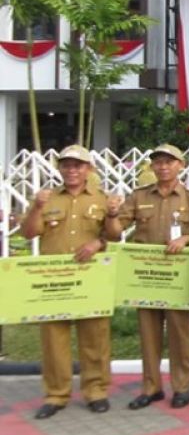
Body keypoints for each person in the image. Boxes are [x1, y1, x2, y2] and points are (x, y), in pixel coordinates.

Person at [107, 144, 189, 410]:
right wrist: (111, 214)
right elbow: (117, 229)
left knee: (181, 335)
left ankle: (181, 387)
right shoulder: (139, 196)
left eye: (169, 162)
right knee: (149, 334)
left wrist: (187, 238)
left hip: (177, 278)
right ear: (152, 167)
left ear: (180, 165)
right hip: (147, 276)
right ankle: (151, 387)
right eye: (158, 162)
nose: (163, 167)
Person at [21, 145, 120, 419]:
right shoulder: (47, 198)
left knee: (95, 337)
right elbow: (29, 233)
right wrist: (37, 208)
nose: (72, 170)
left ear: (88, 169)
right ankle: (56, 394)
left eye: (78, 165)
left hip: (90, 279)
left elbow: (115, 236)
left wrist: (98, 241)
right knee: (54, 338)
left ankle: (96, 391)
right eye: (66, 165)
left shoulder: (102, 199)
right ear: (60, 168)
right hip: (55, 281)